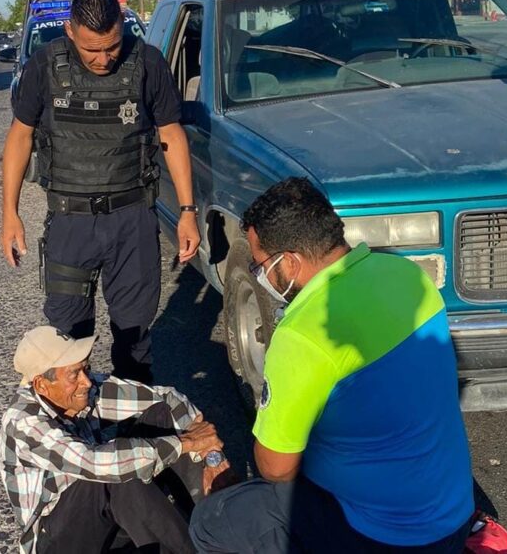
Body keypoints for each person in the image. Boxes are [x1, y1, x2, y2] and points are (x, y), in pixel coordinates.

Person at [189, 178, 475, 553]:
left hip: (385, 534)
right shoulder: (405, 274)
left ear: (289, 262)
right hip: (453, 512)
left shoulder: (304, 331)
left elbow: (276, 468)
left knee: (212, 522)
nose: (262, 276)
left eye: (261, 266)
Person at [0, 0, 200, 384]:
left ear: (122, 28)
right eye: (93, 50)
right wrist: (10, 213)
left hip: (132, 221)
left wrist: (187, 212)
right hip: (70, 224)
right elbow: (19, 137)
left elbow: (172, 135)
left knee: (134, 337)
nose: (104, 59)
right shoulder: (44, 66)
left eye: (112, 46)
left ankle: (134, 433)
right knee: (67, 338)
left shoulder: (147, 62)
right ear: (70, 32)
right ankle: (74, 433)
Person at [0, 325, 230, 554]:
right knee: (117, 474)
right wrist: (187, 442)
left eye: (85, 369)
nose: (86, 382)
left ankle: (214, 529)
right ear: (41, 384)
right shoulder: (24, 422)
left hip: (103, 523)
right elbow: (96, 463)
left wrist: (211, 456)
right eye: (74, 374)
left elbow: (168, 399)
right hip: (56, 541)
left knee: (160, 415)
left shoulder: (83, 389)